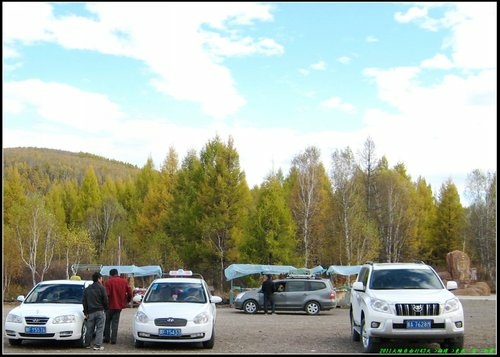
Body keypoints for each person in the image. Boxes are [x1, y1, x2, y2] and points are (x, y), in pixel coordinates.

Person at [104, 268, 132, 345]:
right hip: (119, 306)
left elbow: (106, 295)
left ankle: (107, 338)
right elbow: (130, 293)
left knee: (107, 323)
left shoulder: (108, 282)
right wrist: (127, 301)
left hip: (109, 306)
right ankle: (113, 339)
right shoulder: (124, 281)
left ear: (110, 275)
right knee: (115, 323)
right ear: (117, 273)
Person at [82, 272, 108, 351]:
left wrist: (85, 312)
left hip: (90, 312)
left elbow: (84, 301)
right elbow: (105, 300)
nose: (102, 280)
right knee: (100, 329)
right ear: (99, 279)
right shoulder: (102, 288)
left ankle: (87, 344)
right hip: (100, 311)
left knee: (89, 328)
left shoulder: (87, 289)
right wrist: (105, 308)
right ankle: (97, 345)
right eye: (101, 278)